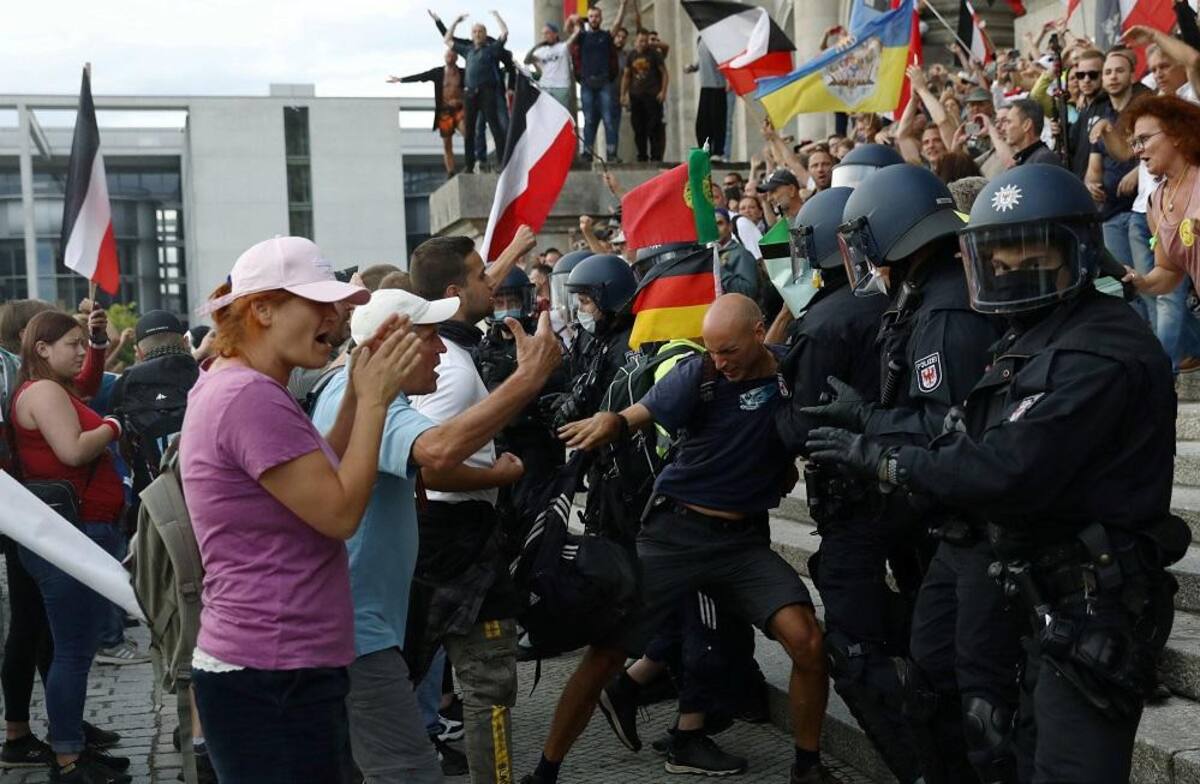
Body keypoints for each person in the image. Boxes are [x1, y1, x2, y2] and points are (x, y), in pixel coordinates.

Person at [807, 163, 1182, 782]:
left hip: (1092, 593)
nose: (1011, 270)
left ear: (1081, 252)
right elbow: (973, 429)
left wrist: (888, 456)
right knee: (1016, 748)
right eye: (998, 256)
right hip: (1045, 587)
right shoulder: (1034, 334)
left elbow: (1007, 466)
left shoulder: (1096, 350)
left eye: (1031, 254)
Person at [523, 293, 831, 784]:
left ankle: (808, 767)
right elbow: (641, 411)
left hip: (742, 544)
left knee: (808, 642)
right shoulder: (701, 374)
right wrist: (613, 422)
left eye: (729, 350)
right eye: (712, 350)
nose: (720, 361)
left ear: (756, 336)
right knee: (606, 653)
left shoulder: (787, 374)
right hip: (674, 534)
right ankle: (544, 772)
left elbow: (778, 353)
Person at [180, 236, 422, 784]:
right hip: (274, 669)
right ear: (261, 309)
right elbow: (339, 513)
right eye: (318, 303)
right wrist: (378, 403)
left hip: (271, 663)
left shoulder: (242, 382)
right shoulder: (250, 396)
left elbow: (318, 471)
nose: (335, 317)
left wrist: (359, 392)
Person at [309, 285, 562, 784]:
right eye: (430, 338)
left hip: (358, 622)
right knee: (407, 772)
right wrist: (528, 377)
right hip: (357, 631)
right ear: (390, 343)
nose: (442, 350)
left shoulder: (356, 391)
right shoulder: (363, 398)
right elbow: (439, 454)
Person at [809, 163, 1007, 782]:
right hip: (958, 521)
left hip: (977, 522)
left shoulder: (944, 313)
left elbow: (946, 428)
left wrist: (865, 420)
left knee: (958, 684)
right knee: (931, 660)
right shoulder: (935, 293)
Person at [771, 185, 924, 781]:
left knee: (855, 650)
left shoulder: (823, 324)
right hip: (913, 487)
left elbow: (799, 430)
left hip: (856, 501)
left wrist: (775, 378)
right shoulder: (901, 305)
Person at [405, 235, 543, 784]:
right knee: (481, 686)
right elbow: (431, 464)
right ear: (455, 291)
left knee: (440, 679)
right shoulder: (451, 369)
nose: (495, 283)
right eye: (484, 276)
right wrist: (500, 474)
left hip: (452, 535)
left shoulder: (445, 349)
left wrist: (512, 251)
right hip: (451, 539)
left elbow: (466, 292)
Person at [9, 310, 133, 783]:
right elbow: (73, 451)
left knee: (73, 648)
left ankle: (73, 747)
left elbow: (86, 383)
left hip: (76, 528)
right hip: (71, 532)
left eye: (84, 343)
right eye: (72, 344)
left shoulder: (50, 388)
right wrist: (112, 427)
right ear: (42, 349)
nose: (81, 352)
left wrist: (98, 348)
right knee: (74, 650)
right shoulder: (42, 391)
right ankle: (68, 758)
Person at [444, 12, 510, 174]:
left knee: (494, 126)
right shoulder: (467, 50)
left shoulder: (491, 49)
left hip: (487, 92)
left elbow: (504, 33)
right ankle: (469, 164)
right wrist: (455, 21)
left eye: (480, 31)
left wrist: (496, 17)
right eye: (474, 32)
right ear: (471, 35)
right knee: (470, 130)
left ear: (485, 34)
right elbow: (447, 40)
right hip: (470, 94)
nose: (477, 34)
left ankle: (503, 162)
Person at [569, 1, 629, 162]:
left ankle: (611, 154)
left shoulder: (606, 36)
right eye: (591, 17)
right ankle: (587, 153)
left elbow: (617, 24)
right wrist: (574, 20)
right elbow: (568, 31)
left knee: (608, 119)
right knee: (588, 120)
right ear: (588, 19)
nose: (594, 19)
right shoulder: (582, 37)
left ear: (601, 18)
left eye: (596, 16)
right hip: (587, 84)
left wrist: (623, 5)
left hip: (604, 84)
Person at [390, 49, 466, 176]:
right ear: (444, 57)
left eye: (452, 55)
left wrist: (461, 100)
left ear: (456, 58)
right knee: (447, 142)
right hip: (444, 111)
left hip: (459, 109)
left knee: (467, 132)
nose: (449, 57)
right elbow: (421, 77)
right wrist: (402, 80)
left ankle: (472, 162)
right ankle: (450, 172)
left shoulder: (463, 73)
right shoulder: (438, 72)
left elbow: (474, 84)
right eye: (447, 55)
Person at [621, 30, 669, 163]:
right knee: (638, 127)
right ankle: (642, 155)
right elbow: (626, 75)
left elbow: (664, 73)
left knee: (654, 127)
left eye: (645, 41)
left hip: (652, 95)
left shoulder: (654, 54)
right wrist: (623, 94)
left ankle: (655, 156)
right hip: (636, 96)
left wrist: (663, 91)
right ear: (635, 41)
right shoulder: (631, 55)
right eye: (640, 40)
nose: (643, 43)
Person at [688, 39, 728, 159]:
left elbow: (726, 59)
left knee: (717, 120)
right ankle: (705, 150)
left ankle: (718, 152)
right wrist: (693, 67)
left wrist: (729, 79)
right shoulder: (701, 39)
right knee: (702, 123)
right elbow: (703, 59)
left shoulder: (717, 39)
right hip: (705, 86)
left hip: (718, 86)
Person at [526, 22, 577, 108]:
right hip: (545, 86)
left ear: (555, 34)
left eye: (547, 33)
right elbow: (527, 60)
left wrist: (575, 25)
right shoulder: (541, 51)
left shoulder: (563, 47)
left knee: (561, 115)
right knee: (546, 116)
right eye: (543, 33)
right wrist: (537, 45)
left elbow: (574, 36)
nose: (545, 36)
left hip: (561, 87)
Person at [714, 209, 760, 299]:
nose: (715, 229)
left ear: (730, 226)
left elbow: (748, 291)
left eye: (719, 223)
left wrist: (719, 270)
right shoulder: (712, 254)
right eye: (711, 225)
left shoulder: (741, 254)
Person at [1004, 98, 1063, 167]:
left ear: (1026, 125)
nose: (1005, 128)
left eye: (1009, 122)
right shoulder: (1028, 159)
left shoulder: (1043, 160)